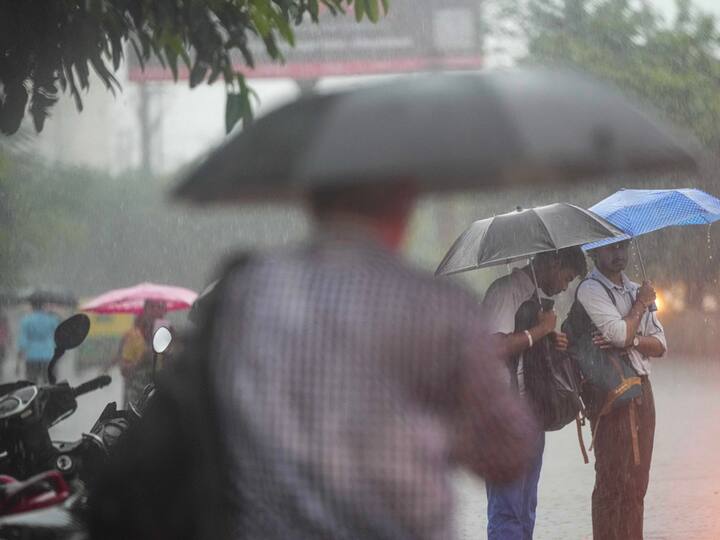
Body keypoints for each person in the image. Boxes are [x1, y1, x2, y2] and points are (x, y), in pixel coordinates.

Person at [209, 182, 540, 539]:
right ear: (404, 204)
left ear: (309, 202)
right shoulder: (438, 308)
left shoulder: (245, 299)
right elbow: (506, 452)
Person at [481, 247, 588, 540]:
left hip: (531, 415)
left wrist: (552, 339)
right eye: (566, 277)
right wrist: (538, 332)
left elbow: (529, 355)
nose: (565, 286)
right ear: (553, 261)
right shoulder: (505, 292)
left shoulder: (536, 300)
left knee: (526, 507)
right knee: (508, 510)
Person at [577, 240, 666, 540]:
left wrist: (634, 340)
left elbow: (660, 344)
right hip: (611, 398)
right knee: (611, 485)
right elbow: (617, 333)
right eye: (610, 248)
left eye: (623, 246)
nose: (619, 254)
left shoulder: (635, 287)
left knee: (637, 485)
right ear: (593, 252)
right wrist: (640, 306)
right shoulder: (590, 289)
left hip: (642, 392)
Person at [107, 300, 167, 407]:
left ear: (165, 310)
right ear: (145, 311)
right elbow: (124, 370)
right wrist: (141, 361)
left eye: (160, 306)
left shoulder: (170, 335)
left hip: (162, 401)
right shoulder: (133, 336)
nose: (156, 311)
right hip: (136, 401)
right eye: (152, 307)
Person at [17, 297, 60, 383]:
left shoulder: (27, 320)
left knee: (31, 384)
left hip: (32, 357)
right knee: (49, 384)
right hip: (49, 356)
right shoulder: (52, 320)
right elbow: (58, 337)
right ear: (43, 306)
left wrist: (18, 361)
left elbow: (23, 341)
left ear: (32, 306)